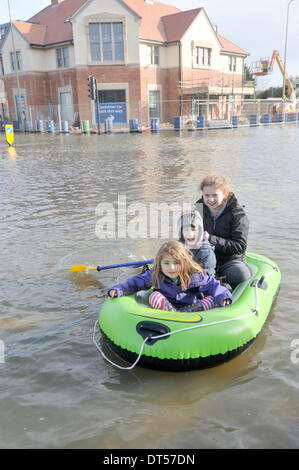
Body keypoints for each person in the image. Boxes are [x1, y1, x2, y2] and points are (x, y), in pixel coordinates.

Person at [108, 240, 232, 312]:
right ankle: (174, 315)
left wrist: (223, 296)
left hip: (192, 308)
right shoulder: (156, 274)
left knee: (210, 299)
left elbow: (212, 284)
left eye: (176, 263)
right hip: (168, 308)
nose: (171, 268)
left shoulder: (193, 276)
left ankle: (183, 314)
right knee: (154, 296)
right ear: (160, 263)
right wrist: (120, 290)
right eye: (166, 263)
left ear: (184, 263)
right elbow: (136, 282)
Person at [196, 174, 251, 290]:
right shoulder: (198, 208)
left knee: (241, 274)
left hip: (229, 261)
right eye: (207, 195)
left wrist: (211, 238)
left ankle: (219, 284)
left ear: (225, 194)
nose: (210, 200)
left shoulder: (238, 214)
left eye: (215, 195)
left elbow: (240, 246)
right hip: (204, 257)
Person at [178, 210, 216, 277]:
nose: (190, 234)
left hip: (200, 282)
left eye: (193, 230)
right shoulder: (177, 246)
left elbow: (207, 276)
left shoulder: (206, 252)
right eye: (186, 230)